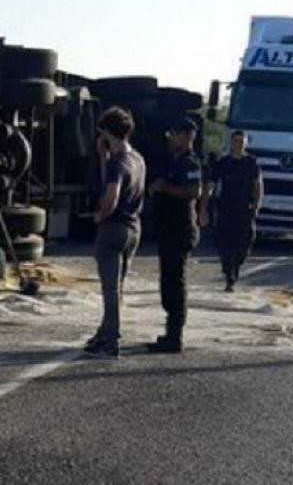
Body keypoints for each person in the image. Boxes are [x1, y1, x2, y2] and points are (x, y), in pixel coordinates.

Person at [83, 106, 146, 359]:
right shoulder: (137, 159)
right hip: (134, 227)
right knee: (118, 286)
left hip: (114, 228)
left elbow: (111, 194)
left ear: (107, 132)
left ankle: (111, 339)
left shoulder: (117, 163)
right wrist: (101, 157)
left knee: (109, 288)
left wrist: (101, 215)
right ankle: (104, 331)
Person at [147, 117, 202, 353]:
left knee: (175, 283)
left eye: (176, 134)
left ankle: (175, 335)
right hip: (167, 228)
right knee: (167, 280)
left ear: (188, 136)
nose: (172, 138)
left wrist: (164, 188)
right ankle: (170, 330)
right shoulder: (172, 161)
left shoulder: (190, 163)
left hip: (179, 229)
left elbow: (193, 191)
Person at [200, 130, 262, 292]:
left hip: (244, 208)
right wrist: (204, 207)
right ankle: (229, 275)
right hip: (225, 208)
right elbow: (210, 186)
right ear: (230, 143)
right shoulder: (223, 163)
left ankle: (236, 265)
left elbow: (257, 185)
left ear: (246, 143)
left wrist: (257, 204)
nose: (238, 144)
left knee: (245, 242)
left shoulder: (251, 163)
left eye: (242, 141)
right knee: (224, 243)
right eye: (235, 141)